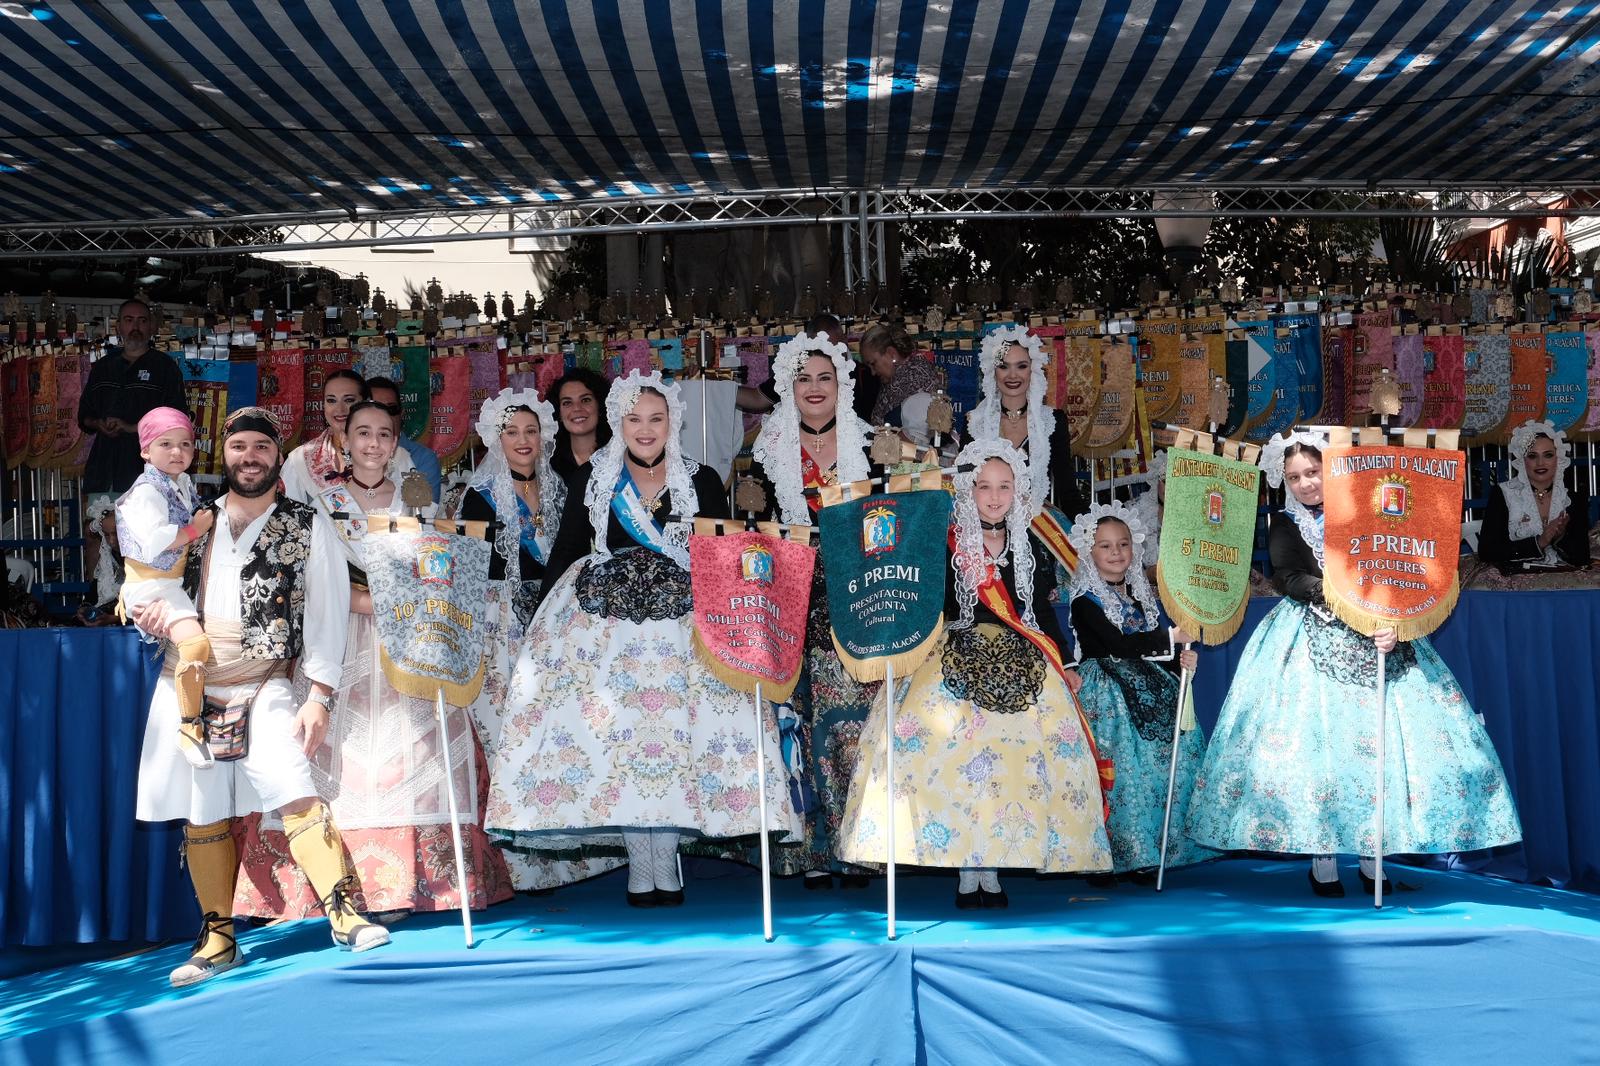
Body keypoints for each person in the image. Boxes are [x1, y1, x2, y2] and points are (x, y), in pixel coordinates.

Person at [485, 370, 800, 907]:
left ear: (671, 422)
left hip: (683, 632)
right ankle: (641, 864)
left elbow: (719, 558)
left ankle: (667, 860)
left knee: (676, 742)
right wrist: (539, 626)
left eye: (656, 418)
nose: (645, 428)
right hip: (608, 633)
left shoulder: (700, 480)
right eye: (634, 419)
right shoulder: (594, 480)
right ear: (618, 423)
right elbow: (566, 550)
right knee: (626, 746)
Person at [1185, 431, 1522, 897]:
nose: (1305, 484)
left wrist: (1389, 615)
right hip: (1307, 638)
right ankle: (1322, 861)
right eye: (1294, 477)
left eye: (1313, 472)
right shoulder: (1284, 523)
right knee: (1319, 751)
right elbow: (1287, 575)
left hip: (1379, 637)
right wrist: (1347, 598)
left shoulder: (1367, 511)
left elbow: (1395, 567)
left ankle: (1373, 860)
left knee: (1377, 748)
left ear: (1332, 470)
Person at [133, 407, 388, 989]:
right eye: (239, 446)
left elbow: (326, 611)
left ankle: (344, 911)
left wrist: (319, 693)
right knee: (203, 810)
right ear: (223, 455)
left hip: (264, 679)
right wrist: (150, 613)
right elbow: (153, 581)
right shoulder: (194, 519)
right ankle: (218, 937)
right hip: (190, 682)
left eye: (261, 448)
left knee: (291, 784)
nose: (250, 457)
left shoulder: (306, 523)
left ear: (278, 456)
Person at [230, 400, 512, 920]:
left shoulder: (417, 496)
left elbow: (434, 560)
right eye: (363, 433)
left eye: (384, 434)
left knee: (415, 756)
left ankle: (409, 882)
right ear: (345, 440)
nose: (374, 444)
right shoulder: (322, 502)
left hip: (408, 637)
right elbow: (313, 581)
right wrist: (371, 602)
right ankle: (343, 885)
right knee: (344, 762)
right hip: (343, 635)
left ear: (396, 442)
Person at [838, 441, 1113, 908]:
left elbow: (1041, 617)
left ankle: (996, 863)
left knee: (1012, 772)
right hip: (953, 658)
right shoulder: (943, 542)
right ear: (968, 490)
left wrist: (1064, 663)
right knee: (960, 766)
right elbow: (925, 605)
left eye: (1004, 487)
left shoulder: (1032, 549)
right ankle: (969, 871)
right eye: (983, 486)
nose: (993, 496)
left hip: (1022, 663)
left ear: (1017, 491)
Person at [743, 332, 876, 888]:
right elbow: (749, 540)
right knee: (797, 724)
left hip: (858, 599)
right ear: (786, 387)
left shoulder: (872, 446)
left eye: (825, 377)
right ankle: (810, 850)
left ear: (842, 384)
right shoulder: (760, 453)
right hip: (791, 602)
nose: (815, 388)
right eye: (803, 378)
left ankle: (859, 845)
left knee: (854, 725)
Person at [1068, 502, 1213, 879]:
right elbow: (1117, 645)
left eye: (1123, 544)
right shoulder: (1085, 601)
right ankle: (1120, 851)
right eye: (1105, 546)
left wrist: (1177, 661)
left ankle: (1159, 846)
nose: (1116, 553)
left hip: (1147, 684)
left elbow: (1148, 648)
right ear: (1089, 552)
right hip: (1108, 692)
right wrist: (1169, 637)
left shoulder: (1138, 597)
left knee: (1164, 761)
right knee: (1123, 769)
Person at [115, 407, 215, 769]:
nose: (177, 452)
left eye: (185, 444)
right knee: (195, 643)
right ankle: (191, 728)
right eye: (166, 444)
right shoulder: (146, 492)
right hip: (152, 586)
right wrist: (194, 531)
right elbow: (157, 541)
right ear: (146, 450)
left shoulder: (179, 483)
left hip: (171, 582)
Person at [78, 298, 188, 575]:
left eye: (141, 320)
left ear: (151, 326)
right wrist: (100, 423)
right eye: (129, 320)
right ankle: (97, 602)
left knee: (140, 539)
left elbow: (178, 422)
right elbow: (84, 417)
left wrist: (131, 428)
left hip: (144, 473)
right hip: (103, 469)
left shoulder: (165, 368)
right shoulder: (103, 367)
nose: (135, 327)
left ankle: (139, 604)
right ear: (118, 326)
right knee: (96, 535)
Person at [964, 325, 1085, 517]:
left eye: (1021, 366)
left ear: (1033, 369)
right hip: (989, 528)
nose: (1013, 375)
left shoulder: (1052, 421)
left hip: (1038, 527)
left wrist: (1090, 530)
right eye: (1003, 366)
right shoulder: (975, 422)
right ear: (992, 371)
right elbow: (966, 488)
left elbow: (1067, 489)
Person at [280, 368, 413, 503]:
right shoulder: (300, 459)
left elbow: (411, 512)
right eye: (331, 400)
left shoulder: (395, 456)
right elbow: (289, 518)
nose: (340, 409)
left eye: (349, 400)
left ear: (365, 403)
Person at [1478, 418, 1591, 573]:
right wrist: (1540, 542)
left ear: (1559, 459)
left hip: (1561, 581)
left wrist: (1560, 536)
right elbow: (1487, 551)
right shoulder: (1504, 493)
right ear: (1522, 460)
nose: (1540, 463)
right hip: (1515, 580)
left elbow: (1582, 557)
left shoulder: (1571, 499)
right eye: (1532, 456)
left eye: (1548, 455)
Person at [861, 323, 942, 445]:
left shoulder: (917, 378)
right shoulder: (894, 380)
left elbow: (917, 441)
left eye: (873, 363)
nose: (872, 372)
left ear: (891, 354)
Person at [366, 376, 442, 501]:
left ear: (401, 413)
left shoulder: (423, 458)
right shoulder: (351, 454)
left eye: (391, 409)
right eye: (376, 409)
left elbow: (423, 513)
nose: (384, 416)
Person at [547, 368, 611, 486]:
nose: (576, 408)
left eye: (585, 400)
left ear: (600, 407)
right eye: (567, 402)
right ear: (559, 413)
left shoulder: (618, 455)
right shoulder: (549, 463)